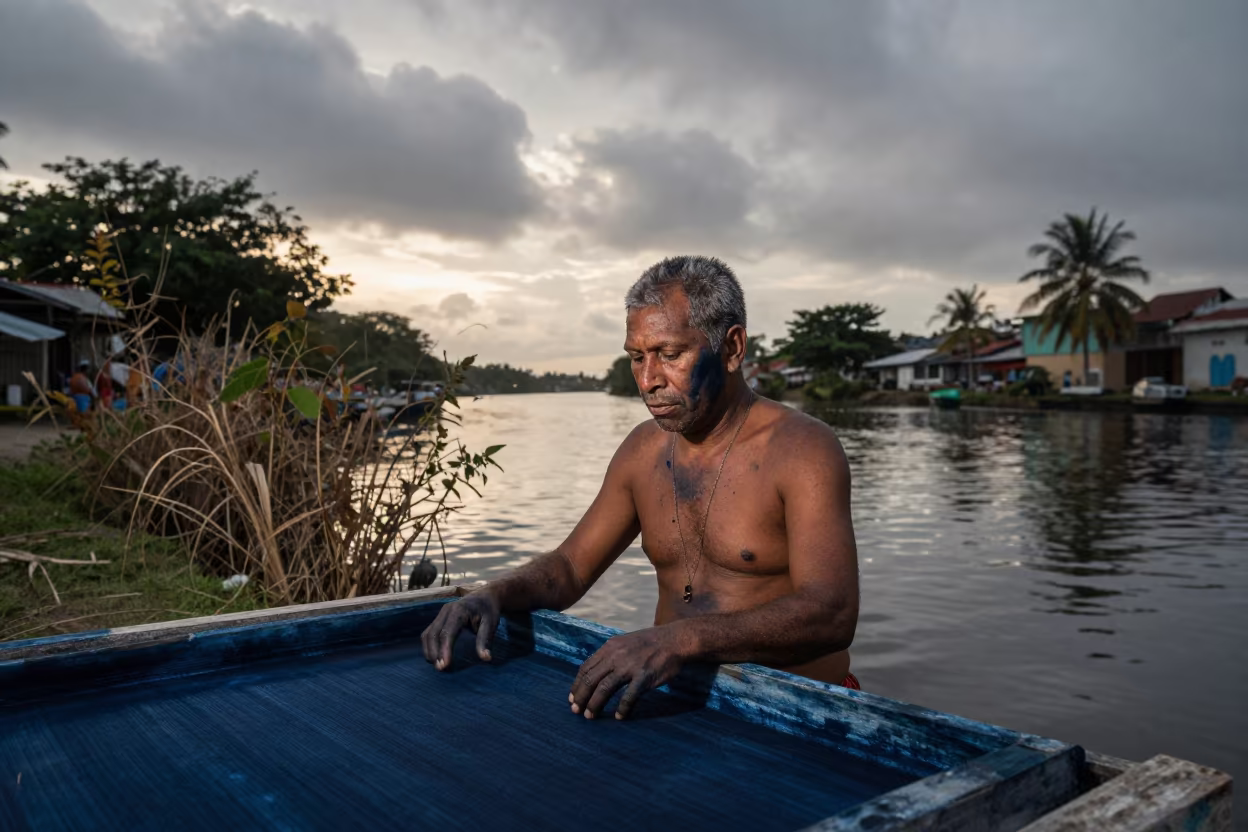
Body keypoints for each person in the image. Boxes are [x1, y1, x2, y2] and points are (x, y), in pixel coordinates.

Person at [422, 255, 859, 720]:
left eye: (671, 355)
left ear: (731, 349)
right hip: (676, 703)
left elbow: (831, 614)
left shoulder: (802, 450)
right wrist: (494, 593)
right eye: (636, 357)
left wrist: (681, 639)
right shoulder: (643, 451)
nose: (649, 380)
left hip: (797, 713)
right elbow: (570, 568)